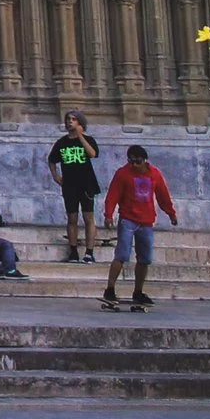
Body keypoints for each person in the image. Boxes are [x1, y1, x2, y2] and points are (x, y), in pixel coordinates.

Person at [102, 144, 178, 309]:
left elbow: (163, 195)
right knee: (121, 255)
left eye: (138, 162)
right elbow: (113, 195)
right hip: (128, 219)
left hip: (146, 221)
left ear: (145, 160)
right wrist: (108, 215)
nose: (135, 165)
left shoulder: (154, 174)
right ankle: (110, 289)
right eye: (131, 162)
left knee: (145, 259)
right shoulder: (123, 173)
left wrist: (171, 213)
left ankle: (138, 291)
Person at [49, 110, 104, 262]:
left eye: (73, 119)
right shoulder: (61, 142)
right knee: (72, 218)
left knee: (88, 218)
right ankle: (73, 251)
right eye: (68, 119)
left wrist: (80, 135)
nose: (70, 122)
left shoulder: (88, 139)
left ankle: (89, 252)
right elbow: (52, 160)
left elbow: (92, 154)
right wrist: (56, 176)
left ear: (80, 122)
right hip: (69, 184)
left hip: (86, 183)